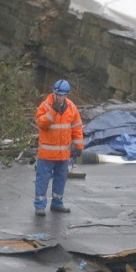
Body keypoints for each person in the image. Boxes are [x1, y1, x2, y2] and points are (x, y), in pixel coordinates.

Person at [33, 79, 84, 216]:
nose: (58, 97)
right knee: (43, 179)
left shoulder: (72, 108)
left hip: (63, 154)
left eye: (61, 95)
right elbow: (41, 124)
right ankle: (40, 205)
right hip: (47, 154)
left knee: (61, 178)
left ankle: (57, 203)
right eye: (56, 94)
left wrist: (78, 146)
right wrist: (53, 112)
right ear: (53, 93)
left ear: (66, 95)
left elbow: (77, 128)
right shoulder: (45, 106)